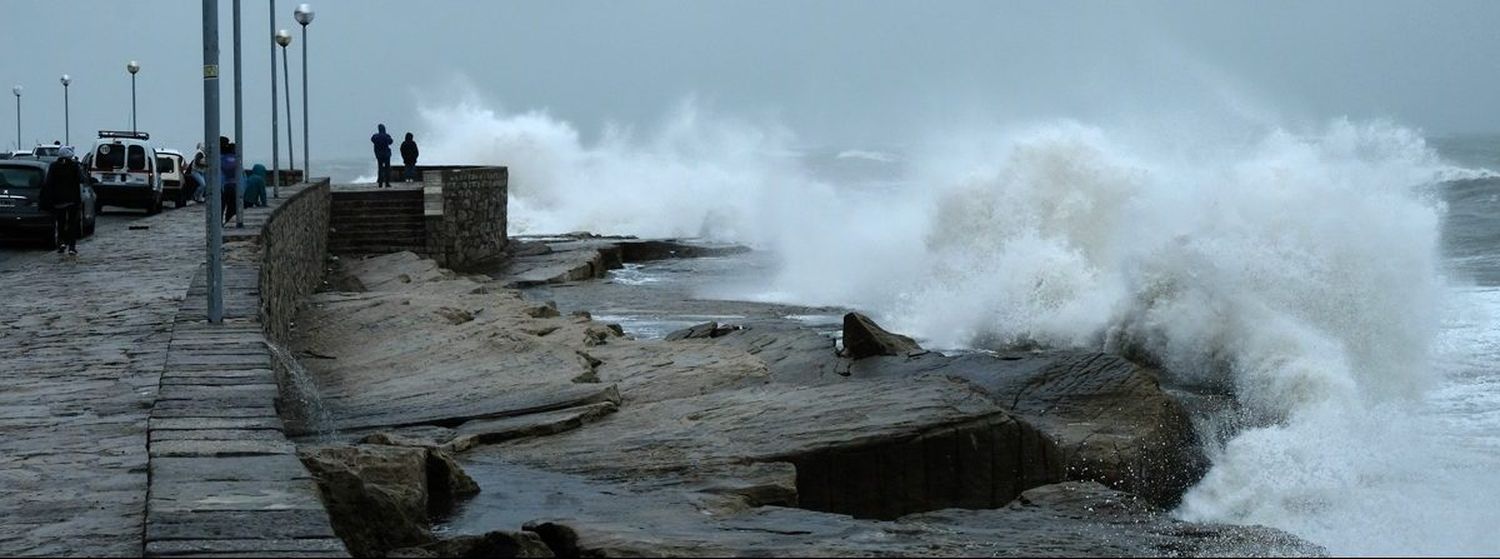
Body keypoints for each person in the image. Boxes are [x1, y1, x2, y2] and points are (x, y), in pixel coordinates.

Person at [39, 146, 83, 255]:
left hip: (58, 200)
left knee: (60, 222)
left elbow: (48, 182)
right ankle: (72, 247)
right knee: (72, 223)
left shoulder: (54, 166)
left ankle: (61, 242)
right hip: (73, 199)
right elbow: (81, 179)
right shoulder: (74, 166)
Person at [219, 137, 239, 224]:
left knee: (220, 208)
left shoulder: (219, 158)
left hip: (222, 187)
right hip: (234, 186)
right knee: (232, 208)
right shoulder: (235, 158)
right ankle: (228, 223)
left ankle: (219, 224)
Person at [370, 124, 394, 188]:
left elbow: (372, 139)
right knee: (387, 169)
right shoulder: (386, 136)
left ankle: (380, 183)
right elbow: (391, 141)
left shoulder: (375, 136)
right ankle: (387, 183)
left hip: (379, 155)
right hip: (386, 155)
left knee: (380, 169)